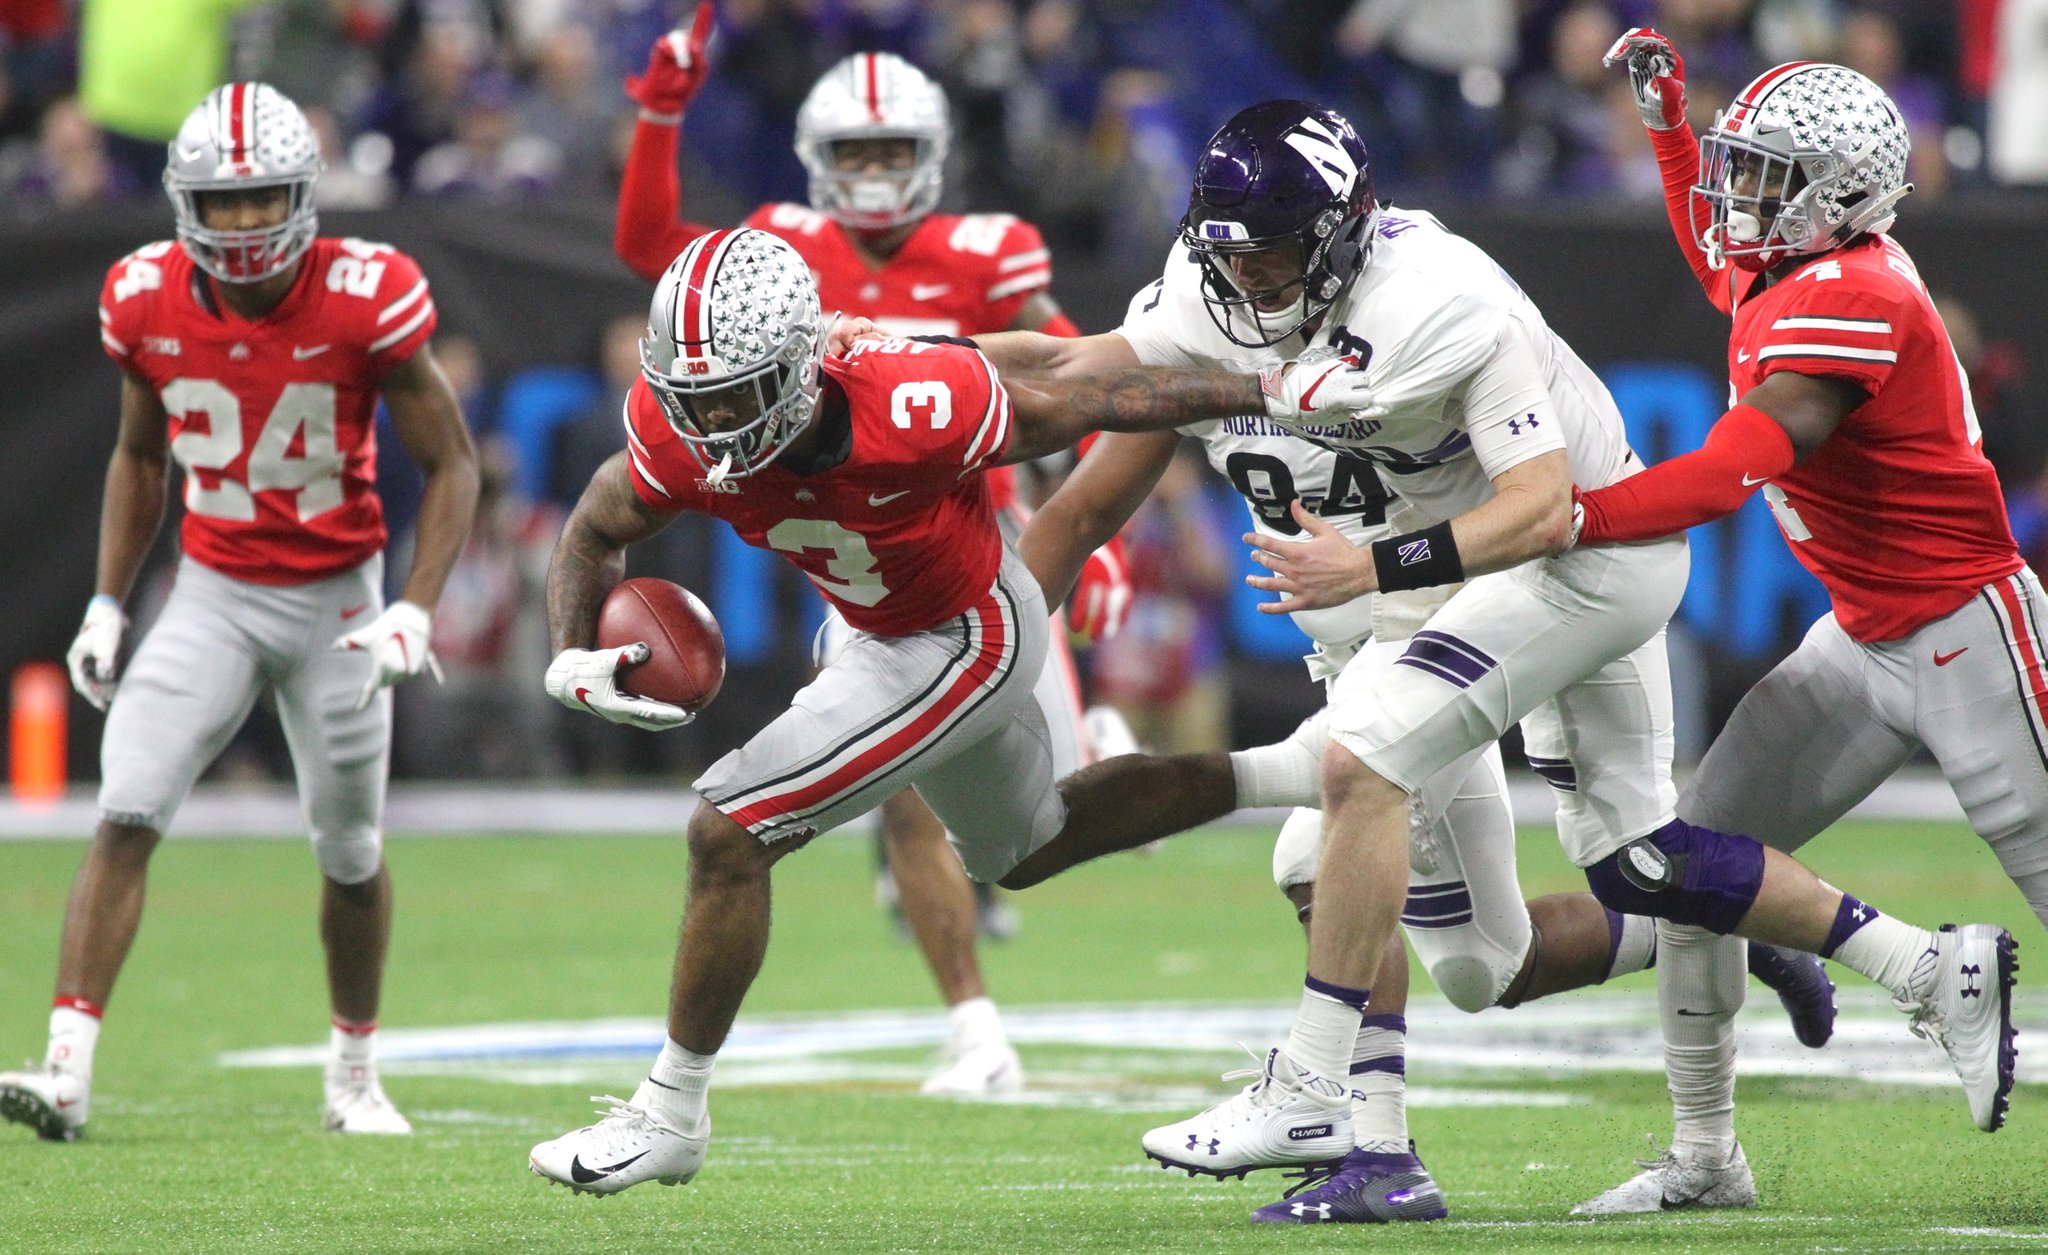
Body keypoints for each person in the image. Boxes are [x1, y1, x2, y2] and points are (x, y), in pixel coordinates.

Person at [953, 96, 2008, 1216]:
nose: (1247, 282)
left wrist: (1368, 569)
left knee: (1352, 776)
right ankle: (1844, 957)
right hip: (1434, 592)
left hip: (1565, 562)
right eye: (1234, 256)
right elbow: (1065, 381)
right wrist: (901, 371)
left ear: (1336, 235)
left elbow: (1542, 508)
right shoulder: (1205, 306)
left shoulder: (1439, 301)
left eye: (1271, 255)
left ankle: (1337, 1113)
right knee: (1548, 922)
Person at [524, 226, 1378, 1196]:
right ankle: (1299, 767)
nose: (714, 421)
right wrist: (567, 654)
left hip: (960, 635)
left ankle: (669, 1110)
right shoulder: (683, 428)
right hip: (872, 629)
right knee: (1031, 844)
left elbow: (1084, 393)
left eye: (737, 392)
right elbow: (594, 527)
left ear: (801, 369)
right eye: (695, 398)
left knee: (728, 830)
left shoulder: (908, 402)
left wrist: (1273, 391)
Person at [612, 9, 1131, 1095]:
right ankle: (973, 1024)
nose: (877, 173)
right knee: (902, 789)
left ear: (932, 156)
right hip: (857, 562)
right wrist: (661, 114)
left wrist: (1096, 526)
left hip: (983, 546)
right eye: (856, 154)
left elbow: (1077, 372)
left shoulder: (983, 252)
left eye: (895, 152)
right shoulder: (780, 246)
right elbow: (647, 249)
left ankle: (1106, 754)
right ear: (816, 163)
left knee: (1049, 824)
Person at [1561, 34, 2035, 1211]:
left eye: (1765, 175)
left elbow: (1727, 472)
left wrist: (1565, 517)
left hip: (1967, 636)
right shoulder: (1794, 269)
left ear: (1835, 194)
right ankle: (1704, 1155)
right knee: (1686, 874)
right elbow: (1705, 240)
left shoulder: (1857, 295)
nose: (1737, 196)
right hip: (1859, 637)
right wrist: (1673, 129)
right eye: (1739, 168)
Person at [0, 83, 479, 1142]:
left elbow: (453, 464)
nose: (248, 224)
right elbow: (138, 452)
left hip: (338, 601)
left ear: (302, 196)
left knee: (349, 850)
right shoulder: (143, 296)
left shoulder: (367, 292)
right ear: (186, 206)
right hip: (213, 592)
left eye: (266, 200)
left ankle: (353, 1072)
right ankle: (67, 1067)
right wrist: (105, 605)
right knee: (126, 806)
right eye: (226, 204)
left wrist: (414, 608)